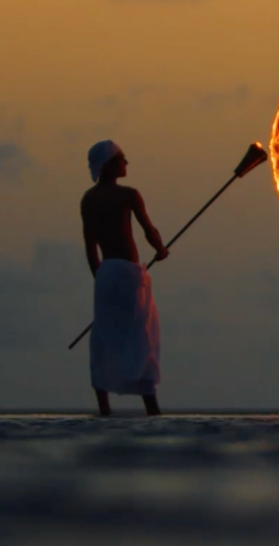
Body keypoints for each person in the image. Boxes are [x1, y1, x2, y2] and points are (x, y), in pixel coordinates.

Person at [80, 140, 168, 417]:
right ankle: (152, 410)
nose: (127, 163)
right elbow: (148, 229)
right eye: (122, 159)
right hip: (128, 276)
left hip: (106, 274)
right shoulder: (129, 194)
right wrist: (161, 250)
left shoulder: (88, 199)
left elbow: (90, 247)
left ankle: (104, 409)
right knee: (139, 336)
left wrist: (101, 279)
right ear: (110, 165)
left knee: (105, 336)